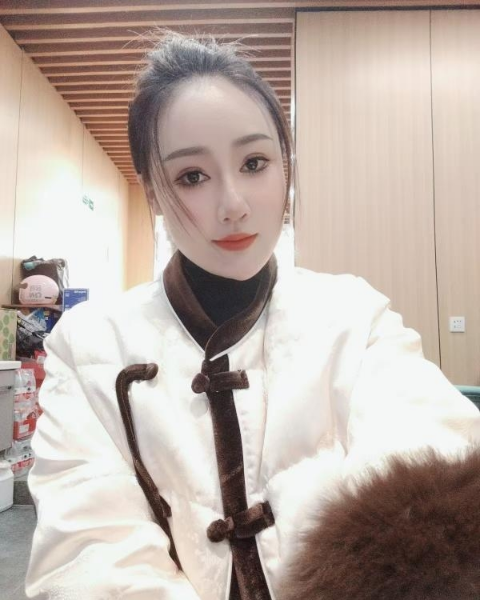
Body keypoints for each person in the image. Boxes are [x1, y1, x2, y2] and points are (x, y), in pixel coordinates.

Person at [26, 32, 480, 600]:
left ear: (285, 167)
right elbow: (87, 554)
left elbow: (432, 457)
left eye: (255, 163)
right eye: (192, 176)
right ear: (153, 193)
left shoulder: (353, 316)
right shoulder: (88, 344)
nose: (234, 204)